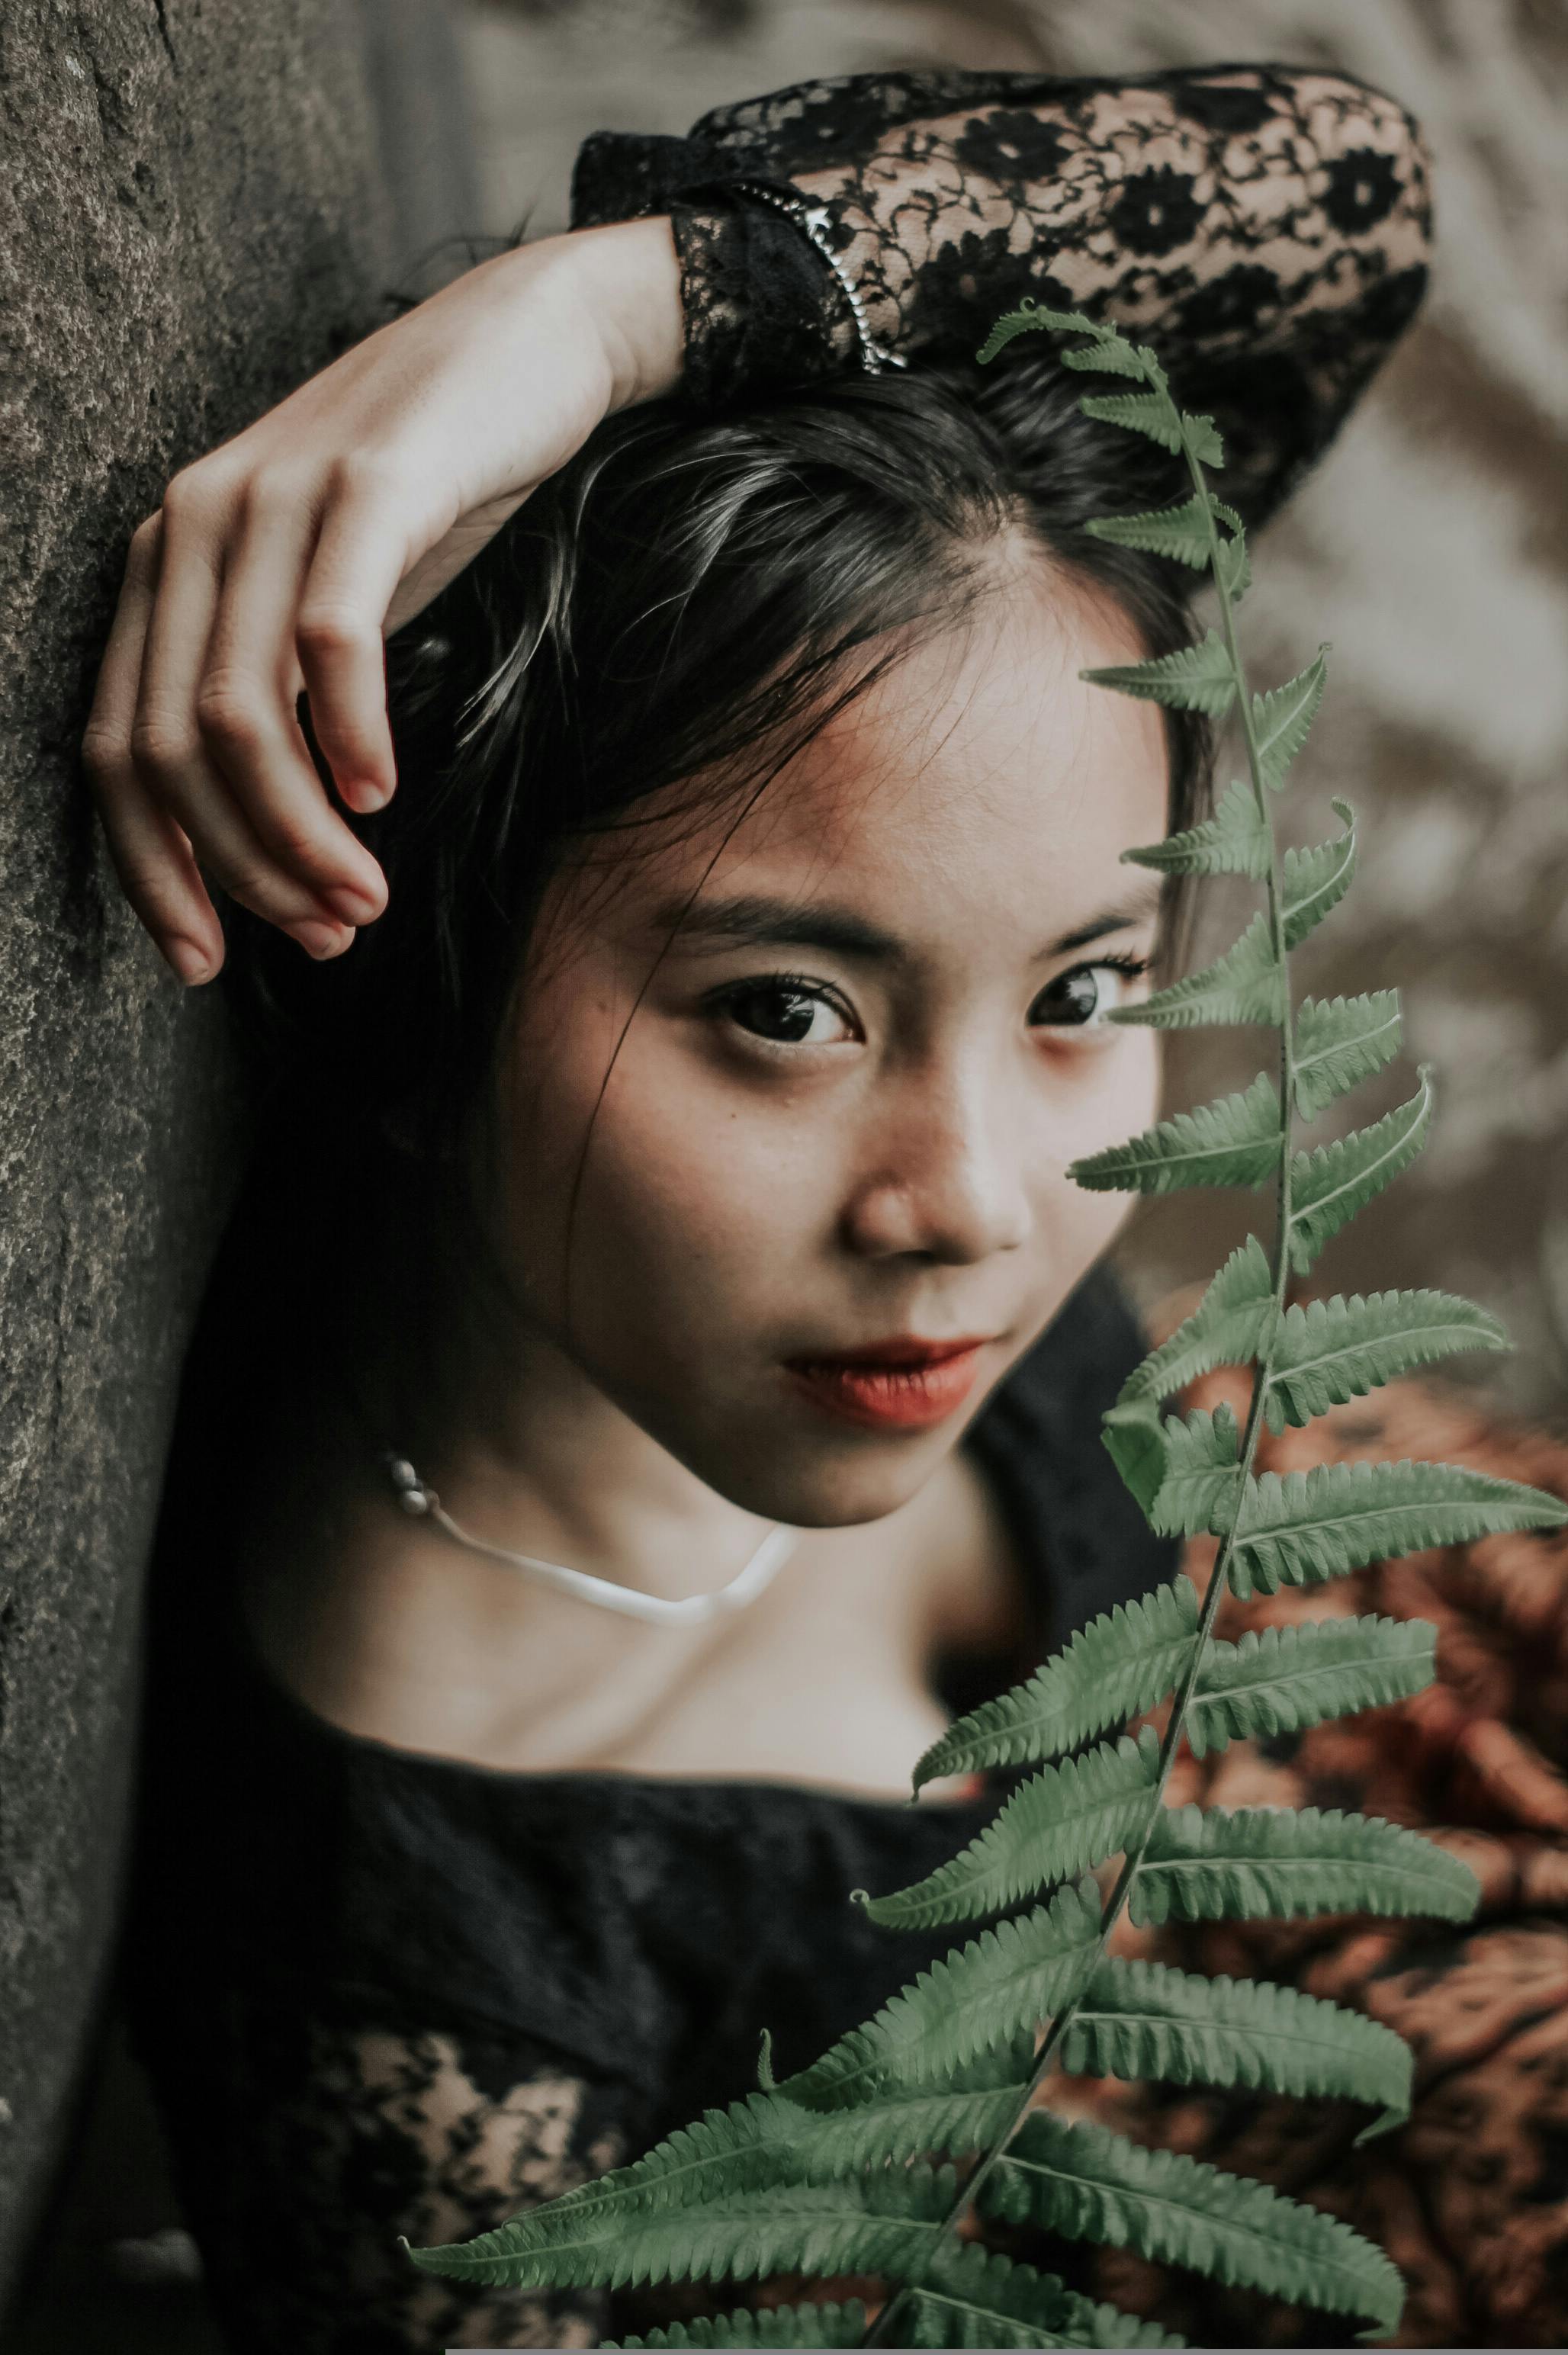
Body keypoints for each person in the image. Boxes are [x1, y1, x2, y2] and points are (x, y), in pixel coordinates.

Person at [85, 62, 1450, 2353]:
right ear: (412, 981)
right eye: (791, 1014)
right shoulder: (442, 2039)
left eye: (1086, 990)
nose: (983, 1206)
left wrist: (602, 324)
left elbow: (1343, 194)